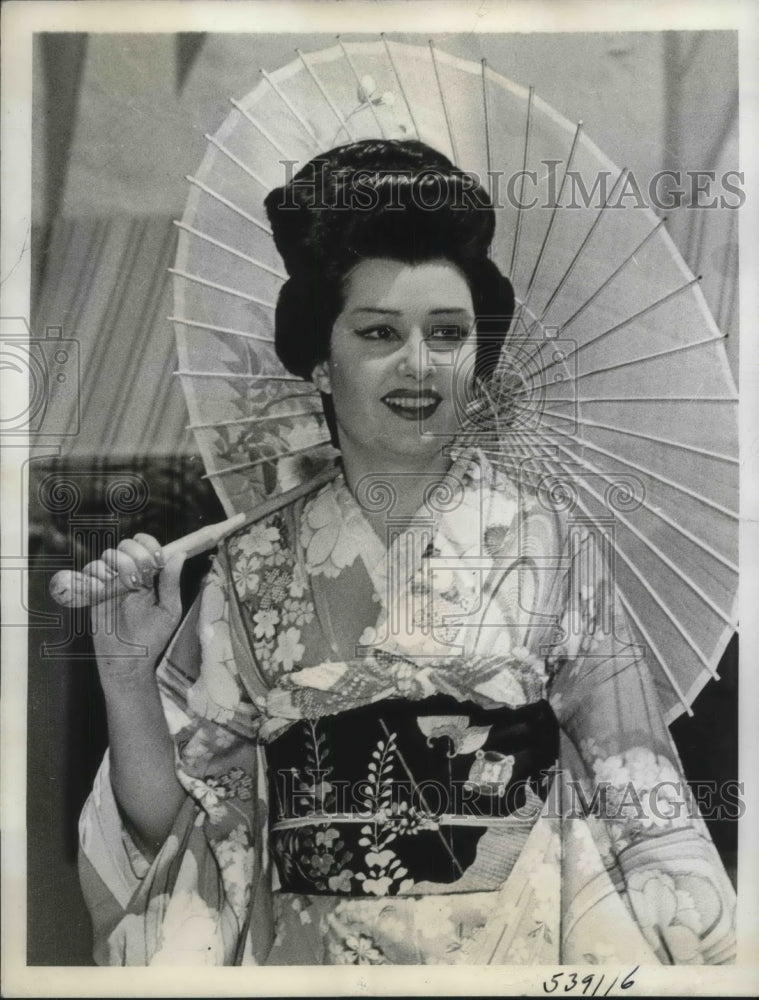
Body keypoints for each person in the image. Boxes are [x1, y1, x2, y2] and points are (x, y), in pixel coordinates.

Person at [77, 139, 736, 966]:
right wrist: (125, 677)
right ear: (320, 359)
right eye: (380, 331)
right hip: (313, 956)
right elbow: (183, 825)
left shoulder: (549, 546)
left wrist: (675, 896)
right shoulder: (249, 569)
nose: (419, 365)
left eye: (448, 332)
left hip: (515, 952)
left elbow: (639, 781)